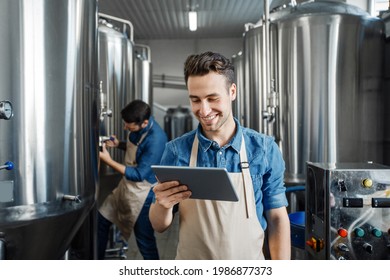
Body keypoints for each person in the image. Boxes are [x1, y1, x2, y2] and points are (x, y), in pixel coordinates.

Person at [149, 51, 291, 260]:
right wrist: (162, 204)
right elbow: (159, 225)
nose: (204, 110)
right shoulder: (177, 151)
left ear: (232, 91)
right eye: (196, 100)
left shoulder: (264, 149)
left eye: (212, 98)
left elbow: (277, 218)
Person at [98, 99, 167, 260]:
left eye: (129, 126)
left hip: (143, 194)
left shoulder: (156, 140)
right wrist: (118, 144)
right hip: (126, 186)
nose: (125, 128)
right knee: (101, 221)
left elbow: (138, 174)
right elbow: (134, 147)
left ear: (144, 123)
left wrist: (108, 161)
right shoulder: (140, 127)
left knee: (145, 242)